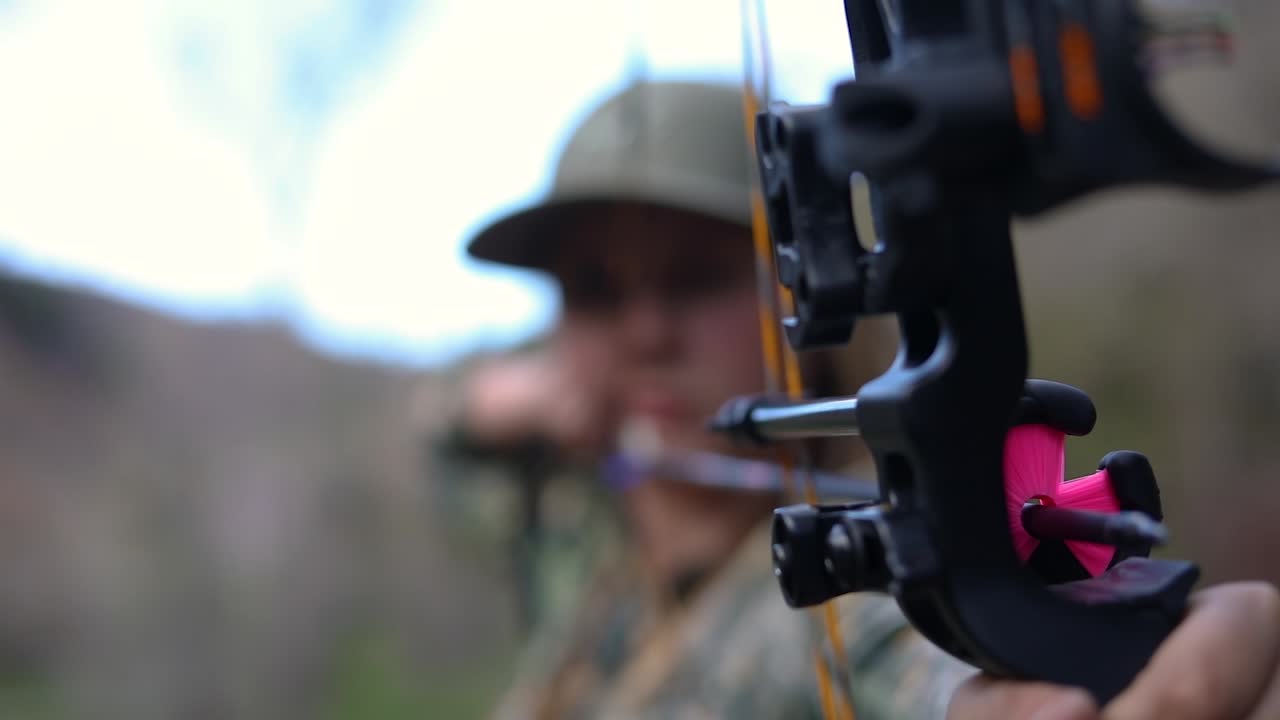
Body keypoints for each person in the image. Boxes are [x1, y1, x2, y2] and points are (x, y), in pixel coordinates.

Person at [441, 79, 1280, 719]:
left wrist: (1032, 686)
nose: (645, 332)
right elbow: (443, 440)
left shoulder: (848, 581)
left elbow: (922, 664)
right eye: (594, 290)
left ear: (815, 295)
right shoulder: (580, 515)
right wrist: (504, 403)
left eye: (696, 277)